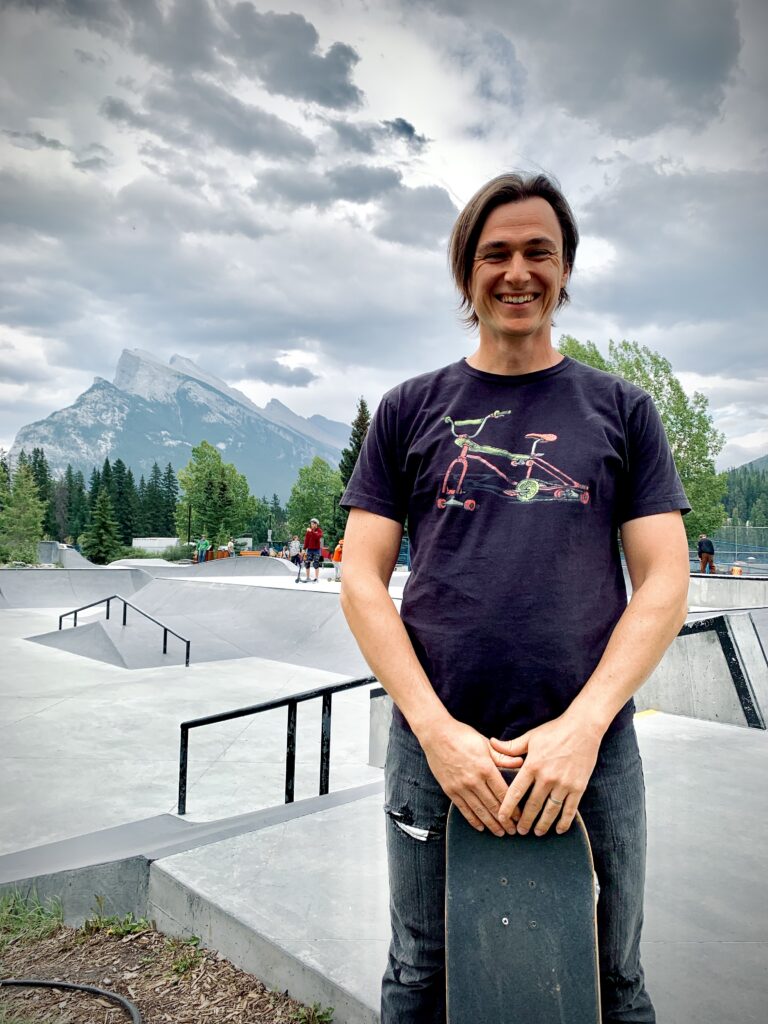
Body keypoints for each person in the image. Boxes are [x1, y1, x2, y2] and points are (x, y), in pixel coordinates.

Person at [339, 172, 690, 1024]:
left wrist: (583, 727)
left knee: (614, 977)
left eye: (540, 251)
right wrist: (434, 732)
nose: (518, 271)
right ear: (467, 273)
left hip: (593, 752)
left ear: (565, 270)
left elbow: (665, 577)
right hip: (437, 748)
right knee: (421, 972)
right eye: (495, 253)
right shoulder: (409, 410)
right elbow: (361, 575)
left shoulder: (621, 409)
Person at [302, 518, 323, 582]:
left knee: (316, 564)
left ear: (316, 524)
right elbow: (306, 540)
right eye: (311, 524)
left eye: (313, 524)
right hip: (309, 550)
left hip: (316, 550)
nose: (312, 525)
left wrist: (311, 531)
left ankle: (316, 578)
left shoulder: (319, 531)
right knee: (307, 563)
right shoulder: (308, 531)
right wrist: (304, 548)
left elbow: (316, 537)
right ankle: (308, 577)